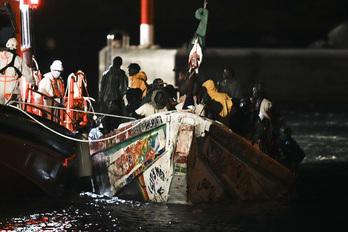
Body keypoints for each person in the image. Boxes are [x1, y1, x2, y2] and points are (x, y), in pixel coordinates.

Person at [0, 38, 36, 106]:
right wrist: (33, 83)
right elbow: (28, 75)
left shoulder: (0, 56)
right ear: (16, 48)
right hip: (11, 92)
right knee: (17, 107)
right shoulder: (18, 60)